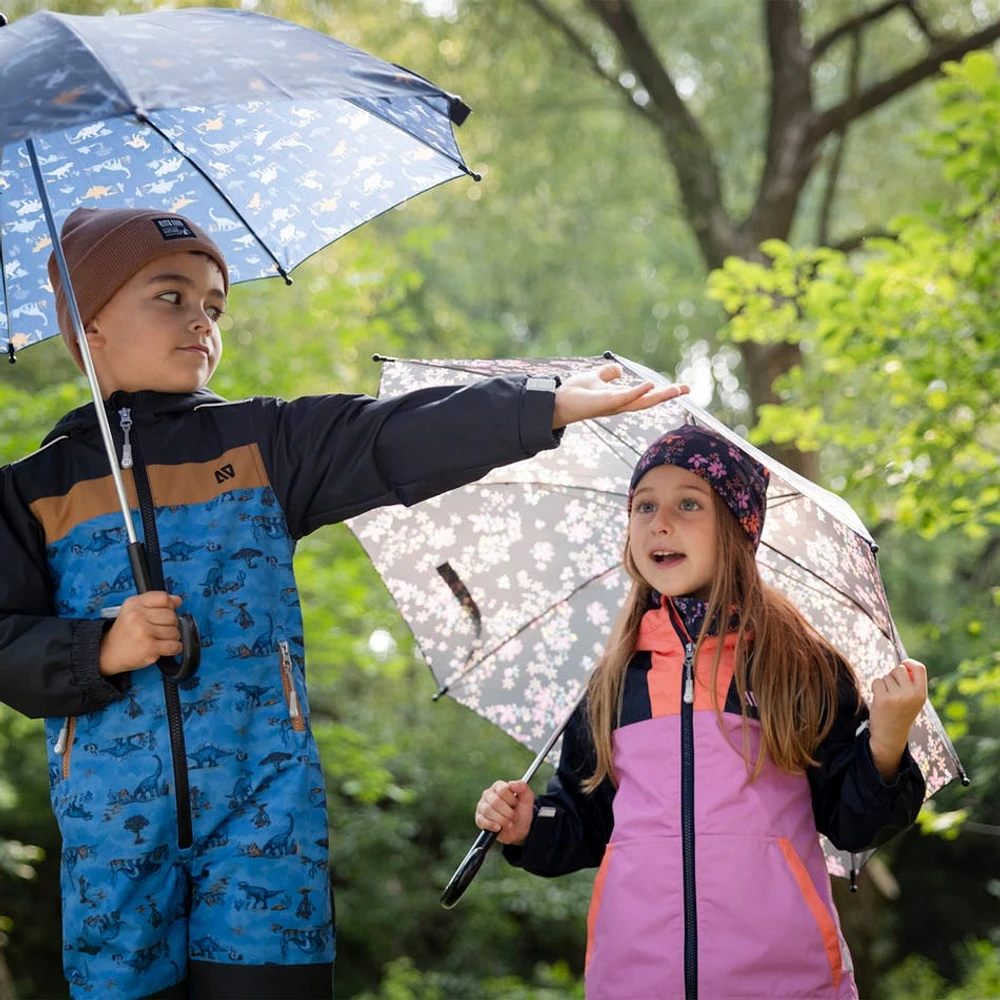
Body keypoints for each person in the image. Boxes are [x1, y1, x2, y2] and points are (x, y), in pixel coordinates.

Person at [0, 206, 688, 1000]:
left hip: (265, 828)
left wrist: (547, 404)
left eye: (214, 306)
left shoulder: (263, 444)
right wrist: (100, 650)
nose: (202, 321)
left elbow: (389, 435)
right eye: (170, 297)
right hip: (112, 841)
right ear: (88, 328)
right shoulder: (30, 491)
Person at [475, 424, 928, 1000]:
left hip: (785, 980)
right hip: (636, 979)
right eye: (644, 506)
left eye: (688, 503)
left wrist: (886, 741)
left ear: (739, 528)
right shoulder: (614, 681)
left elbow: (853, 824)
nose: (659, 522)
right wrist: (527, 825)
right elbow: (587, 824)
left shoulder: (798, 667)